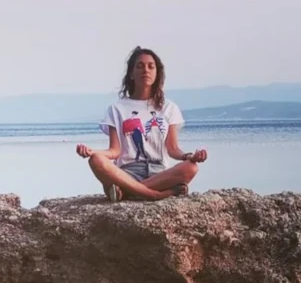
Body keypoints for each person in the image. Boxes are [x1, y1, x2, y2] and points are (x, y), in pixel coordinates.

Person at [75, 46, 209, 201]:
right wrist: (93, 152)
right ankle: (155, 194)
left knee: (191, 167)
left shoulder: (169, 108)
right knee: (96, 161)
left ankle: (126, 192)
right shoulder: (116, 109)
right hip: (127, 173)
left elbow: (172, 149)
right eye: (140, 66)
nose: (146, 70)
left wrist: (189, 156)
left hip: (159, 172)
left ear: (157, 73)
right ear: (131, 73)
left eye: (151, 66)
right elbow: (114, 151)